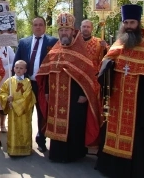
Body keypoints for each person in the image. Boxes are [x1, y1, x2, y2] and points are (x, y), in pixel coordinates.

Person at [95, 5, 144, 178]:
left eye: (132, 22)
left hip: (138, 105)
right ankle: (111, 168)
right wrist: (108, 66)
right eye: (126, 22)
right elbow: (105, 65)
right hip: (115, 101)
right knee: (111, 131)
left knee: (137, 139)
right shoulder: (118, 44)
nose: (129, 26)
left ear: (138, 24)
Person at [36, 12, 100, 163]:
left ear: (73, 31)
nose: (64, 32)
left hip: (75, 96)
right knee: (56, 123)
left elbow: (87, 75)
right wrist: (46, 92)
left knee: (74, 124)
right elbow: (45, 73)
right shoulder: (54, 50)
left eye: (67, 30)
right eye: (61, 30)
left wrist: (85, 93)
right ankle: (57, 153)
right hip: (56, 96)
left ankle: (74, 153)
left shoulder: (80, 50)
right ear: (58, 32)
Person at [13, 16, 58, 152]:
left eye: (40, 25)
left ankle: (41, 140)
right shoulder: (23, 42)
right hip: (26, 83)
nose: (38, 27)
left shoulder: (53, 42)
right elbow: (16, 63)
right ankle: (23, 140)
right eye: (35, 25)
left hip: (43, 84)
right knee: (24, 111)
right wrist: (14, 83)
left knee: (42, 113)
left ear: (45, 27)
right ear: (32, 27)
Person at [0, 60, 36, 156]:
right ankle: (13, 149)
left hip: (24, 111)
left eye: (21, 68)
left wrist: (15, 104)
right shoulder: (9, 81)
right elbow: (2, 92)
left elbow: (28, 97)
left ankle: (25, 149)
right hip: (12, 112)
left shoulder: (27, 82)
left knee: (25, 128)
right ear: (14, 68)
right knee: (13, 129)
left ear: (25, 70)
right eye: (17, 67)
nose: (18, 70)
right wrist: (7, 98)